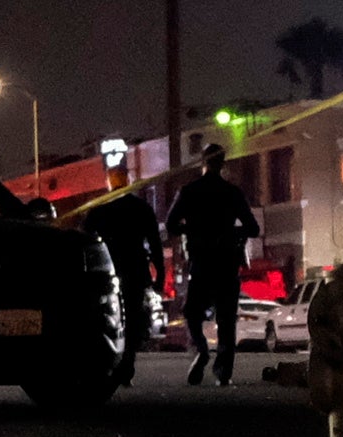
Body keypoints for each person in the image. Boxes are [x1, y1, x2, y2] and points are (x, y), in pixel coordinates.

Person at [165, 143, 263, 385]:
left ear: (203, 162)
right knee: (226, 319)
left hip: (201, 262)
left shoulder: (189, 191)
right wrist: (230, 233)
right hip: (226, 263)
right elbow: (253, 228)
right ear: (222, 164)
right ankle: (223, 372)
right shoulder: (232, 193)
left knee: (192, 312)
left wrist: (192, 229)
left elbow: (171, 224)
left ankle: (201, 349)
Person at [83, 179, 169, 386]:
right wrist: (160, 274)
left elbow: (85, 239)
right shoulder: (140, 208)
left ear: (109, 182)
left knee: (104, 316)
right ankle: (127, 362)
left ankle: (111, 363)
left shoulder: (99, 209)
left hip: (108, 270)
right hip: (134, 270)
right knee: (132, 318)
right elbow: (155, 243)